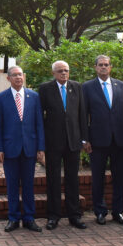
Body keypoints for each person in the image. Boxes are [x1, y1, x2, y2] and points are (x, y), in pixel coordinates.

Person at [0, 66, 45, 233]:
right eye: (14, 75)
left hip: (30, 148)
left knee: (29, 185)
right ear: (8, 78)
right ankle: (13, 218)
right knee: (12, 186)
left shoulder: (34, 96)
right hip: (10, 149)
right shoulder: (1, 98)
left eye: (20, 74)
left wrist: (41, 147)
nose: (18, 78)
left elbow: (39, 124)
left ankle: (29, 218)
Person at [82, 55, 123, 226]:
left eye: (106, 65)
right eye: (100, 65)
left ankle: (118, 212)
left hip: (118, 140)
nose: (103, 67)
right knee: (97, 178)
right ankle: (100, 212)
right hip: (97, 141)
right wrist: (85, 140)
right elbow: (84, 115)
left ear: (111, 67)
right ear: (95, 67)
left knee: (120, 178)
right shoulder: (87, 87)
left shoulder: (121, 86)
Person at [38, 60, 87, 230]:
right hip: (53, 142)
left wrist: (83, 139)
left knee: (72, 179)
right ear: (53, 73)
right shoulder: (45, 89)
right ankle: (53, 216)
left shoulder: (77, 87)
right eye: (60, 71)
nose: (63, 73)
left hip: (73, 141)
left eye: (66, 70)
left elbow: (82, 114)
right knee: (53, 180)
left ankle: (74, 216)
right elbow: (40, 117)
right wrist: (41, 142)